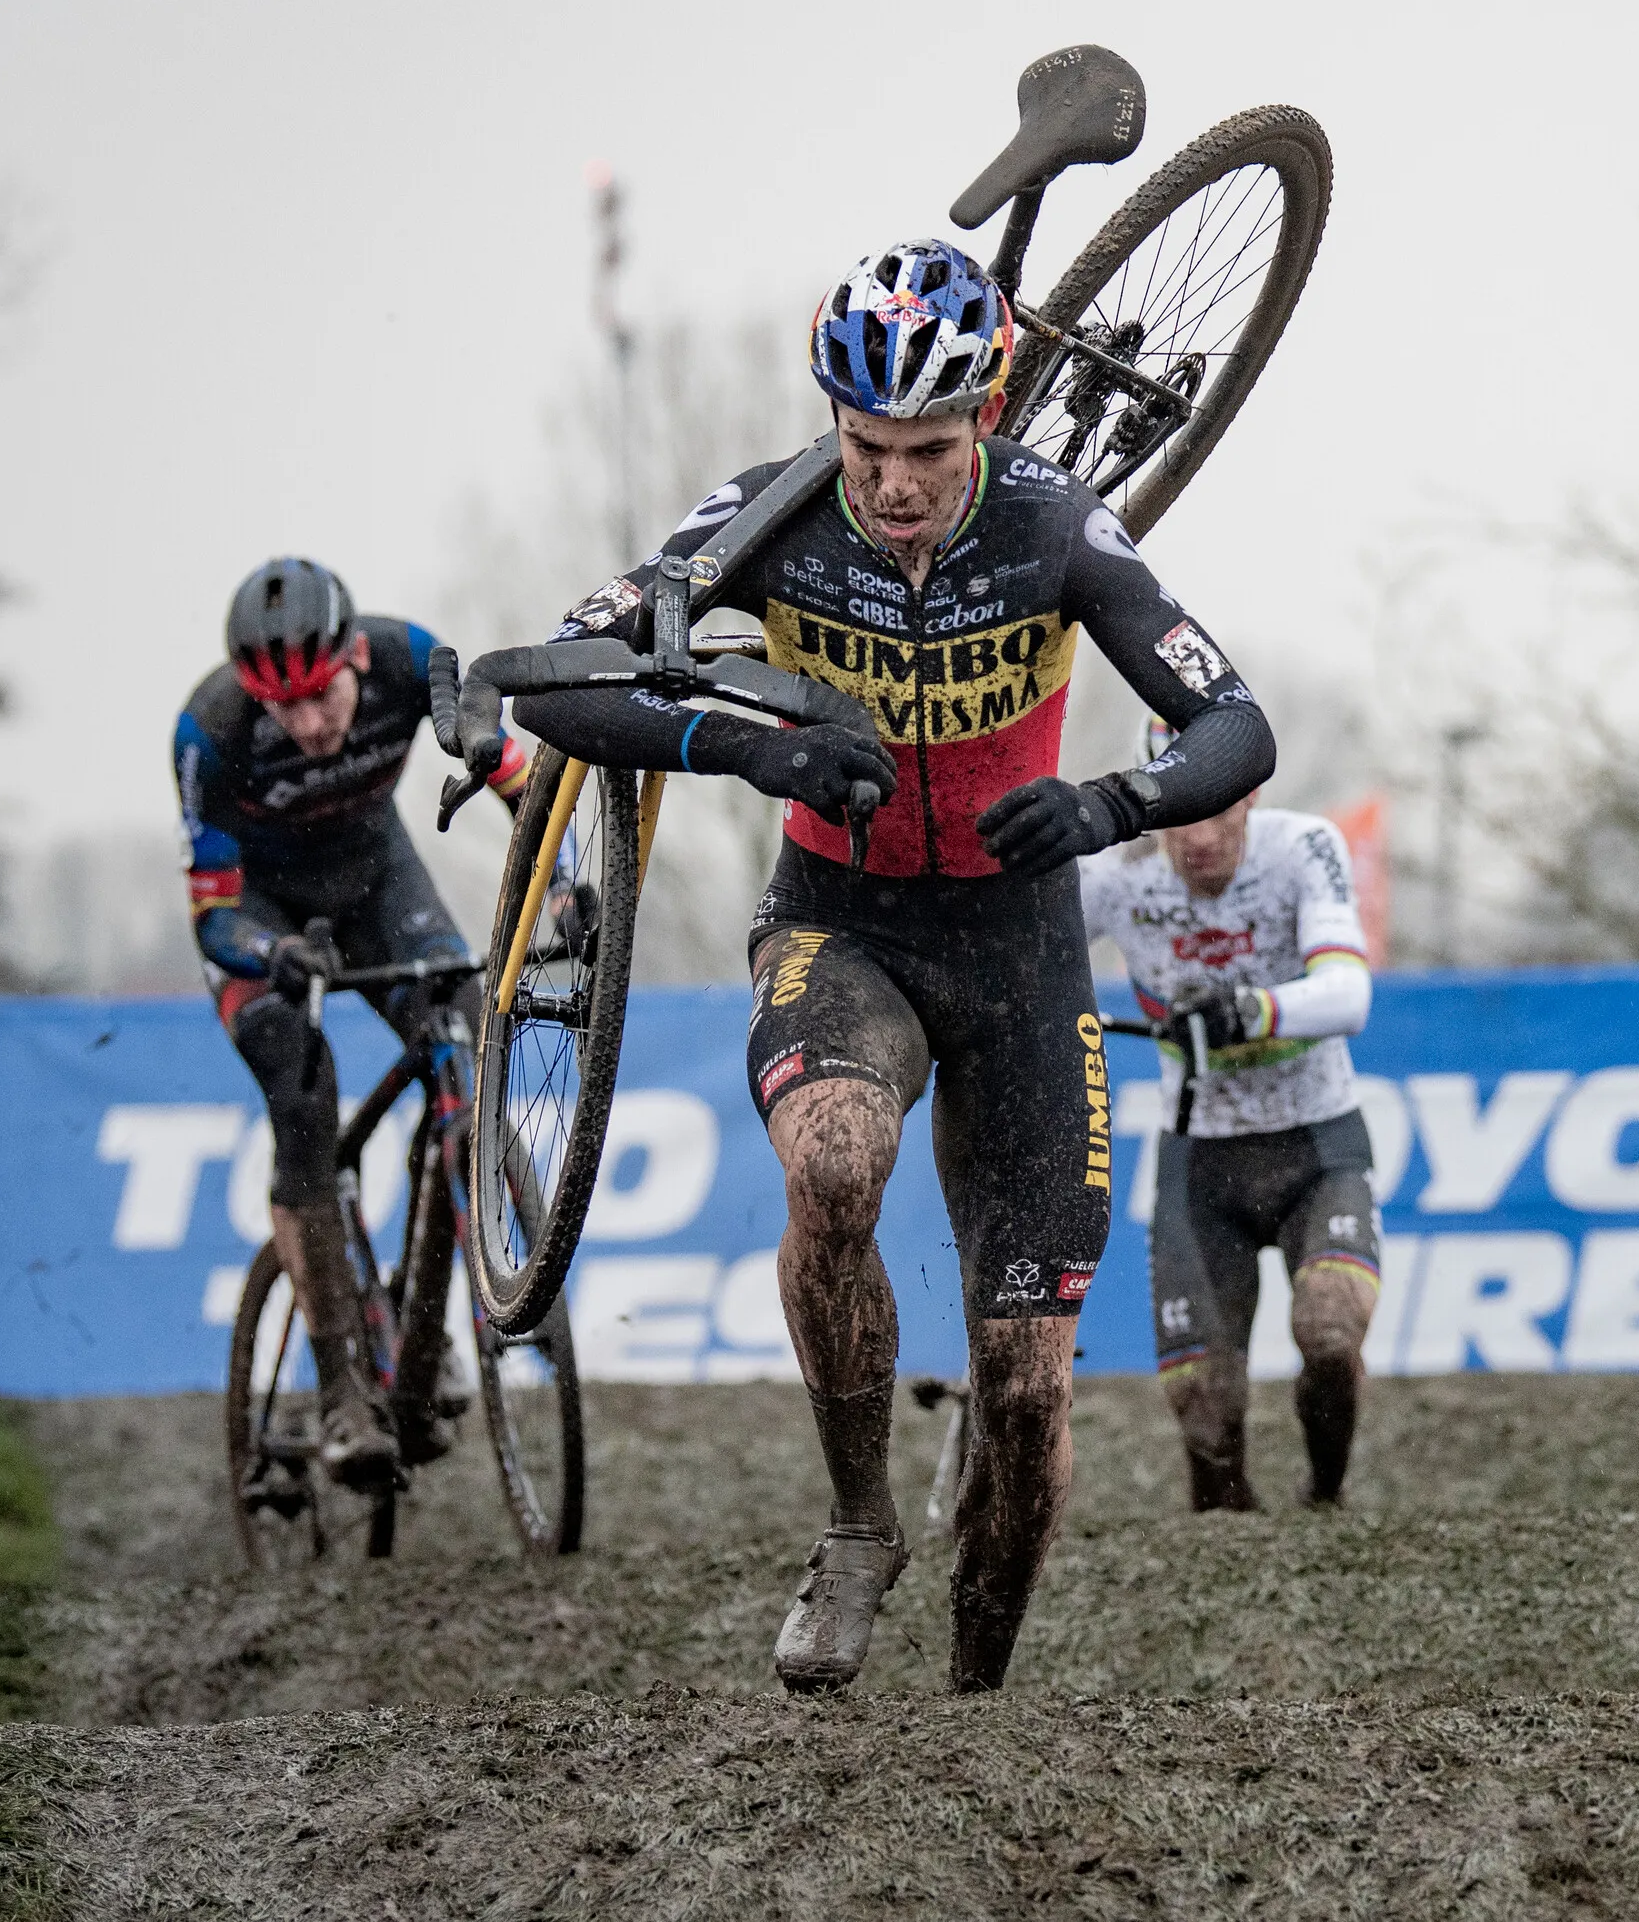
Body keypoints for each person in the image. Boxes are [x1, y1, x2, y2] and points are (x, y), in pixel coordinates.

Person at [512, 238, 1275, 1697]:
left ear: (986, 416)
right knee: (838, 1162)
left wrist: (1116, 803)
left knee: (1027, 1395)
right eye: (869, 447)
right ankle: (858, 1528)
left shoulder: (1058, 528)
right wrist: (758, 745)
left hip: (1022, 948)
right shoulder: (777, 514)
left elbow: (1235, 724)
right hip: (840, 924)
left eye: (928, 449)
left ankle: (974, 1702)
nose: (897, 484)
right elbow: (570, 674)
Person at [175, 559, 532, 1491]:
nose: (309, 724)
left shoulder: (411, 658)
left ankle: (425, 1330)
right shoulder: (209, 732)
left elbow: (515, 778)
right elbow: (212, 912)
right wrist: (271, 951)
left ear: (354, 658)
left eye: (322, 697)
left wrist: (564, 888)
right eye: (283, 709)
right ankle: (340, 1386)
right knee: (304, 1091)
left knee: (465, 1028)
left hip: (376, 877)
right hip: (263, 920)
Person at [1080, 728, 1377, 1512]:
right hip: (1200, 1159)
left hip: (1316, 1139)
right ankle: (1227, 1522)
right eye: (1179, 815)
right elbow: (1005, 950)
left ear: (1251, 795)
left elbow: (1348, 996)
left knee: (1330, 1329)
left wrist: (1253, 1008)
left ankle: (1326, 1496)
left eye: (1219, 812)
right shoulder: (1115, 875)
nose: (1201, 839)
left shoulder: (1302, 847)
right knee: (1200, 1393)